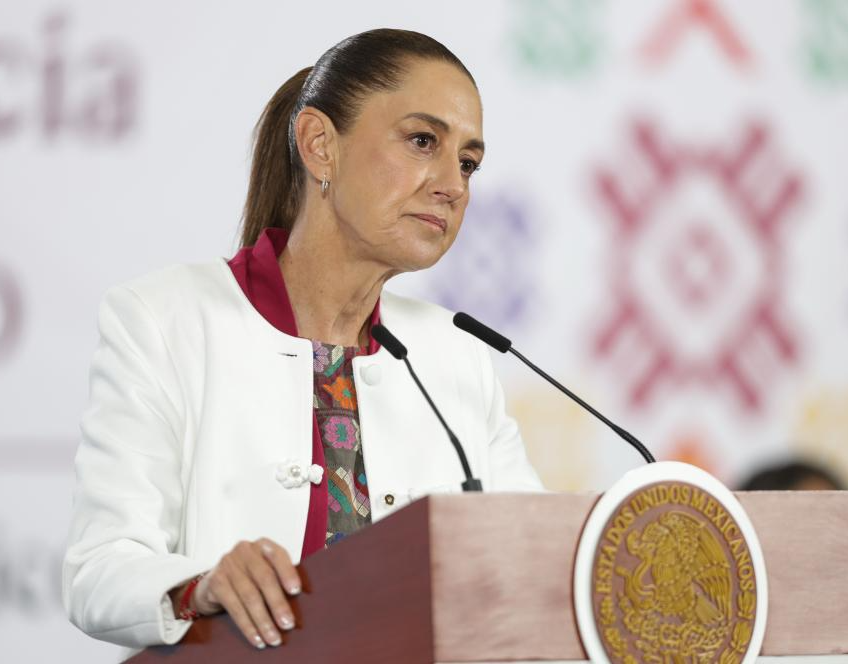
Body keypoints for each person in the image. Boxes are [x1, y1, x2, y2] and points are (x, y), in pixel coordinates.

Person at [61, 28, 544, 654]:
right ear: (320, 145)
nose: (453, 184)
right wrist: (201, 586)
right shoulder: (164, 320)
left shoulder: (459, 356)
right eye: (423, 141)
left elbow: (536, 567)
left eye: (469, 163)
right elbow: (99, 569)